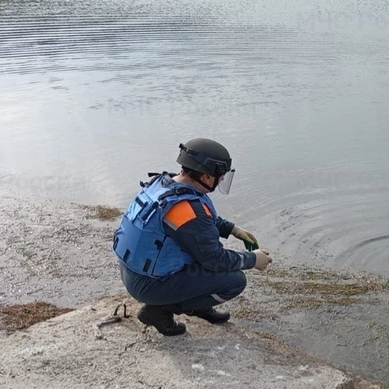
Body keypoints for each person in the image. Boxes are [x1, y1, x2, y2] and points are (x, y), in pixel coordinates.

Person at [113, 137, 272, 336]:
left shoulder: (165, 184)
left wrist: (232, 229)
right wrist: (253, 259)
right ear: (206, 177)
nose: (221, 179)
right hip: (149, 284)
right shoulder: (184, 209)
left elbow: (200, 219)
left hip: (132, 272)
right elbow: (216, 260)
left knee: (202, 262)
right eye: (220, 176)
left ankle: (193, 301)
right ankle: (159, 311)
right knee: (235, 280)